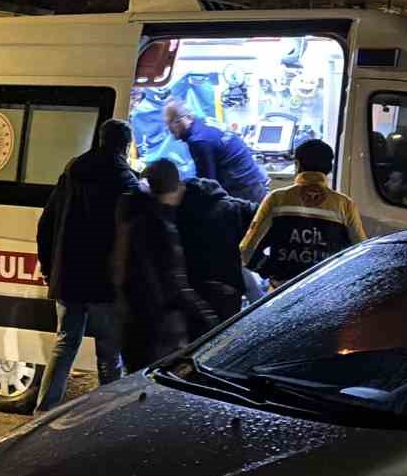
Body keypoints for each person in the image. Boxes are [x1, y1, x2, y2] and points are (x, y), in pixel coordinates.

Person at [33, 119, 139, 413]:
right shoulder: (126, 182)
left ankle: (43, 410)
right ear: (125, 146)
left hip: (68, 276)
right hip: (105, 281)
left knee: (65, 343)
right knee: (108, 349)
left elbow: (46, 225)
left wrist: (47, 266)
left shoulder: (72, 174)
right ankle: (107, 413)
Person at [114, 160, 218, 373]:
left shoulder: (132, 213)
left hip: (132, 320)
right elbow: (174, 281)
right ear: (175, 186)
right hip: (159, 325)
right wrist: (206, 316)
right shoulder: (160, 225)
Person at [240, 139, 367, 286]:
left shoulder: (276, 199)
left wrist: (272, 271)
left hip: (282, 293)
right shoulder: (344, 205)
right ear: (330, 168)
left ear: (297, 165)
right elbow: (361, 253)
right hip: (325, 293)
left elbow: (246, 251)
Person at [172, 177, 259, 329]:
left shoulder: (176, 212)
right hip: (227, 288)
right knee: (225, 339)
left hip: (193, 289)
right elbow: (262, 214)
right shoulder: (232, 208)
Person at [162, 97, 270, 204]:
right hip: (253, 182)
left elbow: (208, 183)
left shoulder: (198, 141)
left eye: (173, 122)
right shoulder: (204, 123)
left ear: (186, 118)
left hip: (243, 190)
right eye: (167, 124)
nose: (170, 128)